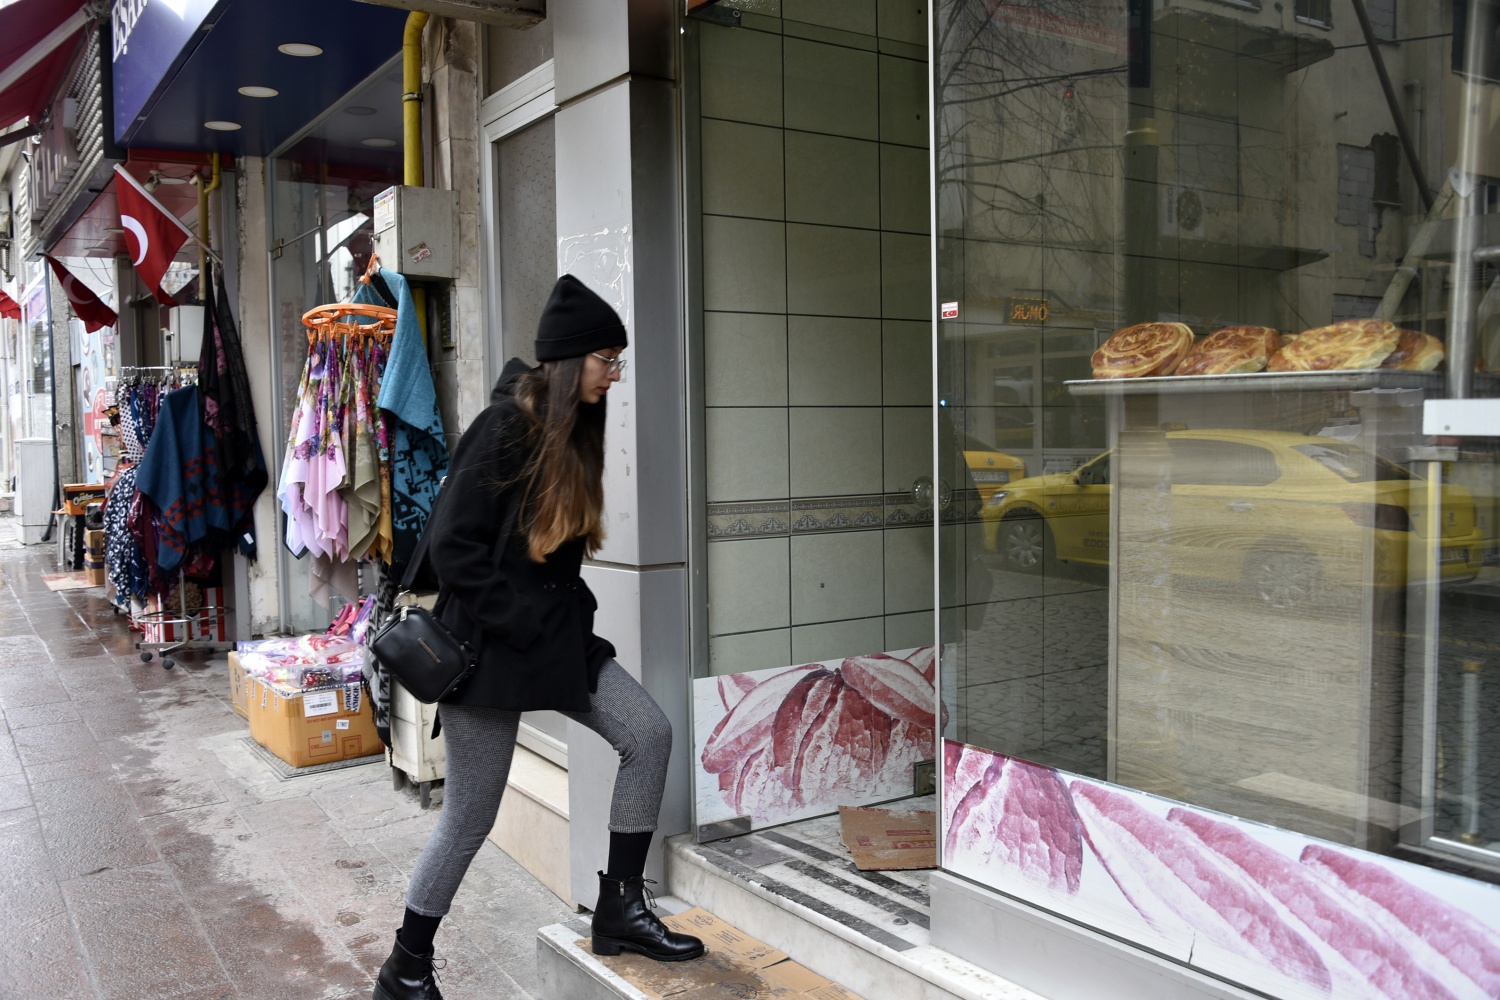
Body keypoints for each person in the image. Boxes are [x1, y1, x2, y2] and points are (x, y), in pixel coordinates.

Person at [373, 275, 704, 1000]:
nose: (615, 375)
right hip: (488, 650)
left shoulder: (574, 429)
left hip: (555, 641)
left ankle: (619, 908)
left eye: (617, 361)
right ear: (570, 358)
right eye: (607, 360)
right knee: (469, 818)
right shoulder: (504, 427)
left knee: (648, 734)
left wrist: (560, 621)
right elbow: (453, 546)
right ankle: (406, 968)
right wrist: (520, 620)